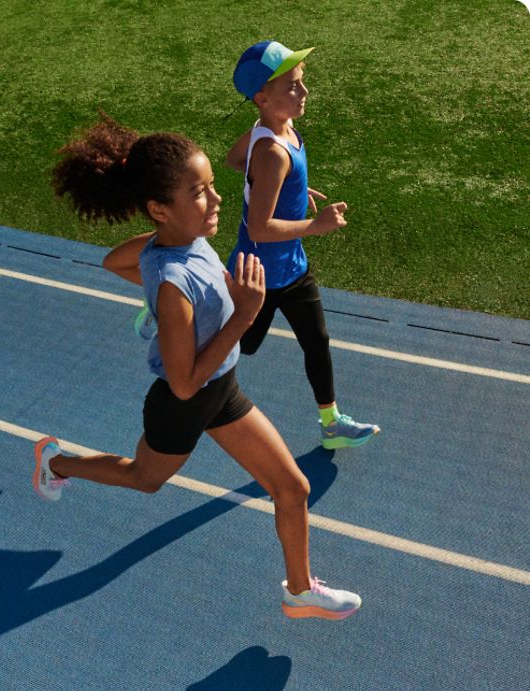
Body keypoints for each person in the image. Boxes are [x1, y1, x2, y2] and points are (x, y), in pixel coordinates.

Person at [35, 113, 361, 621]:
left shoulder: (176, 242)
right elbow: (184, 384)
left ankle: (299, 591)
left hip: (222, 389)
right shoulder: (171, 285)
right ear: (159, 208)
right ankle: (56, 463)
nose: (217, 200)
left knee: (292, 488)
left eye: (211, 186)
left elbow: (114, 262)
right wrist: (244, 314)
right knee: (145, 479)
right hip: (182, 405)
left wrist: (167, 249)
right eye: (200, 192)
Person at [226, 41, 380, 450]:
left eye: (302, 81)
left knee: (317, 341)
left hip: (291, 268)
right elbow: (258, 228)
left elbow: (233, 160)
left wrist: (289, 192)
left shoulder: (277, 131)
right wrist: (315, 224)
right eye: (293, 86)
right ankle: (171, 317)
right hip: (258, 274)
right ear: (262, 98)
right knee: (242, 345)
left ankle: (331, 424)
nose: (304, 92)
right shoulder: (273, 152)